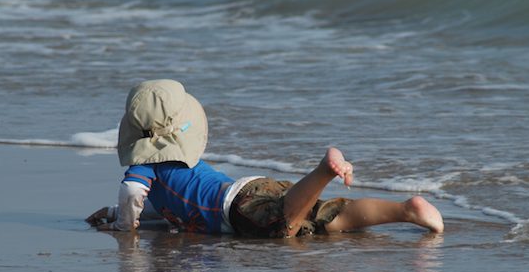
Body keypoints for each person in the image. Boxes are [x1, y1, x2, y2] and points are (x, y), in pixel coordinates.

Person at [86, 79, 444, 237]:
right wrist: (117, 214)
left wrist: (124, 228)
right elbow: (152, 209)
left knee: (282, 225)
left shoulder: (145, 167)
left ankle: (323, 169)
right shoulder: (178, 169)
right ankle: (406, 210)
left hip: (237, 208)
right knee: (329, 218)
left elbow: (134, 194)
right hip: (249, 187)